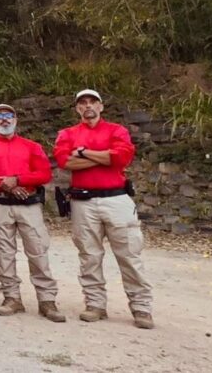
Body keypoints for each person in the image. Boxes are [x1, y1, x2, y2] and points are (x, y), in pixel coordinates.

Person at [53, 89, 153, 329]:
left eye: (92, 102)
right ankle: (95, 304)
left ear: (101, 106)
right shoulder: (68, 133)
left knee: (129, 255)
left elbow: (122, 158)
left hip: (116, 199)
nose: (87, 106)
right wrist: (103, 156)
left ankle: (141, 307)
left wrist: (84, 153)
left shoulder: (117, 130)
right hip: (83, 202)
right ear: (77, 108)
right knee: (89, 255)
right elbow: (65, 161)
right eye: (82, 103)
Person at [0, 104, 65, 322]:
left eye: (8, 116)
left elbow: (43, 173)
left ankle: (47, 300)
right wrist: (4, 184)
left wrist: (19, 180)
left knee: (38, 250)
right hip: (0, 204)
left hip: (29, 205)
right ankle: (11, 297)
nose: (4, 120)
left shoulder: (31, 146)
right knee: (4, 253)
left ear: (16, 119)